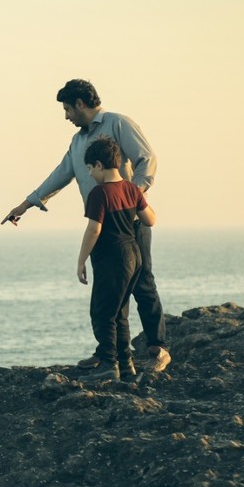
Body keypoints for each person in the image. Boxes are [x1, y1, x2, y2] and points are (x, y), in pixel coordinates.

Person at [1, 79, 170, 374]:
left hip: (130, 223)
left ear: (80, 104)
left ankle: (158, 348)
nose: (66, 116)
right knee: (110, 294)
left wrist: (133, 195)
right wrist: (26, 204)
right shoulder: (77, 141)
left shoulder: (118, 123)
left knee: (142, 284)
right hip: (102, 227)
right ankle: (110, 353)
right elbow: (61, 173)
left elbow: (148, 159)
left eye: (67, 109)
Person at [76, 137, 155, 380]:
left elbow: (94, 230)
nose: (90, 174)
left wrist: (81, 260)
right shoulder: (131, 188)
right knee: (119, 313)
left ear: (99, 165)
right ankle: (126, 365)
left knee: (103, 313)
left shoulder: (99, 194)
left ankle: (109, 365)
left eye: (90, 168)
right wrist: (136, 201)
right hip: (134, 255)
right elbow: (150, 219)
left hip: (112, 259)